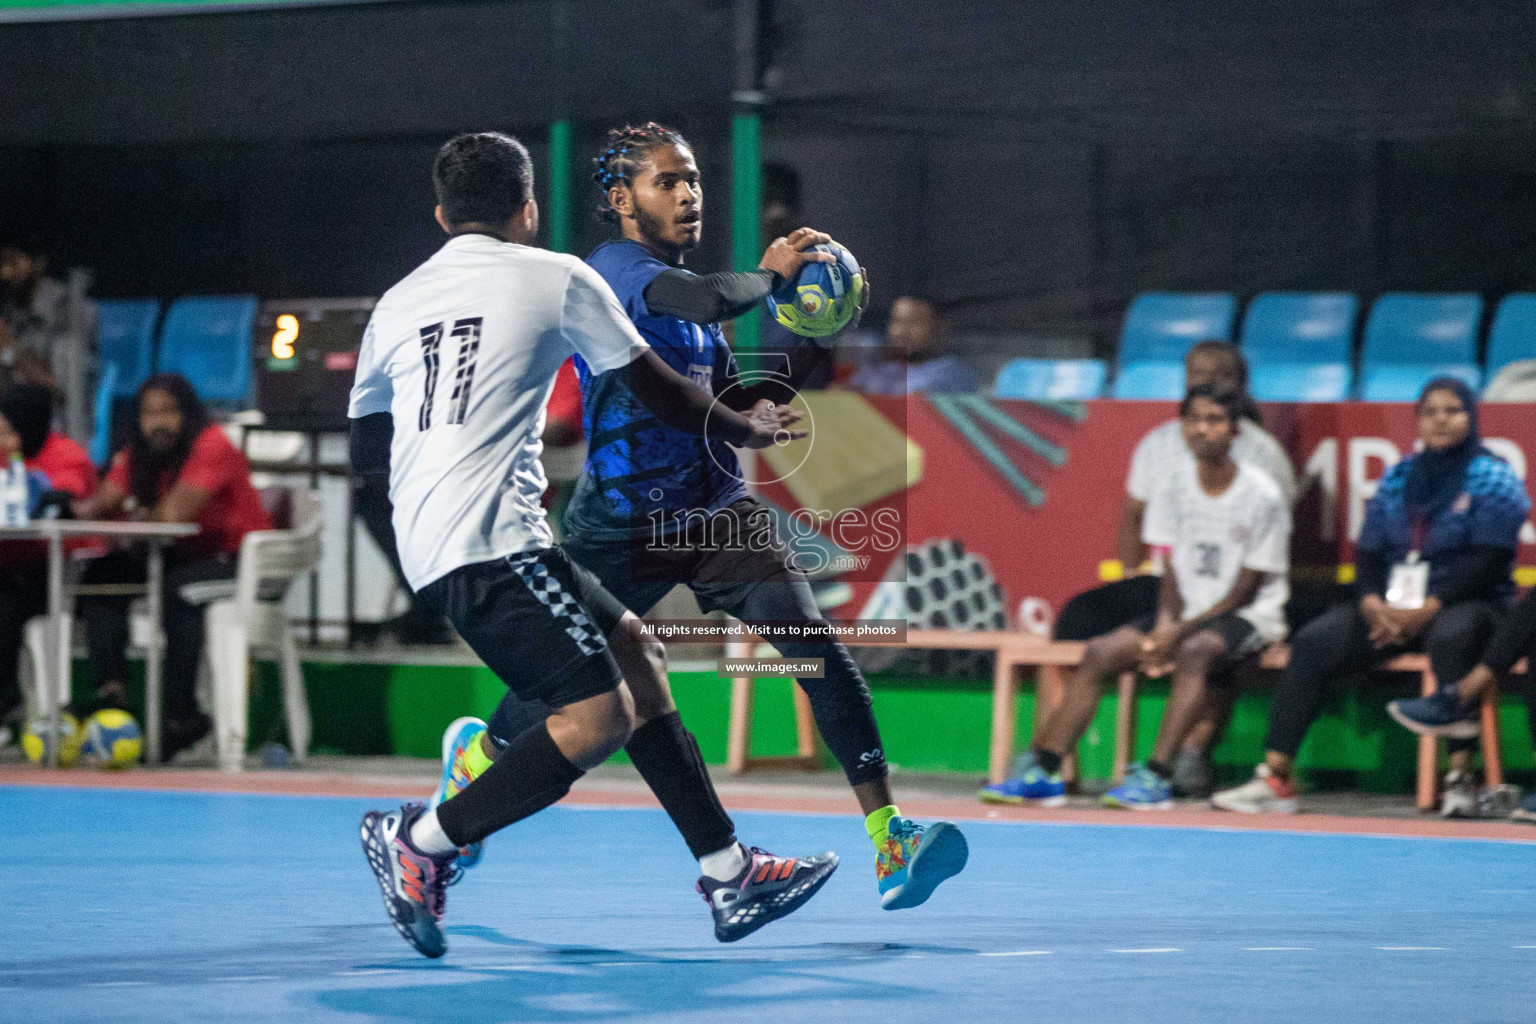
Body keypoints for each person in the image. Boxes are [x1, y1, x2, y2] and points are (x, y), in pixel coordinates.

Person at [454, 122, 968, 915]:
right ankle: (479, 756)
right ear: (622, 199)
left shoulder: (692, 302)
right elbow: (701, 297)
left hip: (718, 513)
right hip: (620, 522)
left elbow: (709, 386)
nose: (689, 196)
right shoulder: (615, 272)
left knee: (814, 647)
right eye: (668, 182)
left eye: (693, 181)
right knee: (569, 685)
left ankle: (890, 838)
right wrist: (769, 276)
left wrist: (755, 400)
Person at [350, 131, 837, 959]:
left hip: (443, 541)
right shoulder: (556, 275)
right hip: (490, 541)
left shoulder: (395, 302)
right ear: (529, 208)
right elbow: (670, 394)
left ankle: (729, 871)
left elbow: (368, 453)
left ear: (441, 216)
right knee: (598, 717)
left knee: (639, 661)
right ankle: (424, 840)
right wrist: (745, 425)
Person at [981, 341, 1295, 803]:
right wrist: (1165, 622)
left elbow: (1245, 591)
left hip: (1250, 615)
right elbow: (1167, 568)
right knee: (1101, 651)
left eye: (1214, 421)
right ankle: (1045, 770)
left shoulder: (1262, 492)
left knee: (1195, 651)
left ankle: (1156, 775)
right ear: (1183, 427)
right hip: (1184, 608)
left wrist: (1177, 632)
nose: (1203, 431)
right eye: (1195, 421)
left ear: (1234, 431)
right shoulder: (1170, 483)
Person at [1213, 378, 1529, 814]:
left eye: (1452, 410)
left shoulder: (1494, 476)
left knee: (1454, 634)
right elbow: (1371, 553)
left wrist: (1431, 607)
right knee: (1315, 640)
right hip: (1394, 608)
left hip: (1469, 604)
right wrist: (1371, 603)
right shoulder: (1400, 475)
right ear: (1417, 419)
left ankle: (1461, 779)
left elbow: (1491, 560)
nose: (1440, 420)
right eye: (1430, 411)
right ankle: (1276, 777)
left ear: (1472, 417)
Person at [69, 374, 272, 758]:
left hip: (237, 564)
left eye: (167, 412)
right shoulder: (138, 454)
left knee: (178, 592)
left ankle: (184, 715)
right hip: (177, 558)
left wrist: (134, 514)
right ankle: (113, 698)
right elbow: (98, 506)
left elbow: (174, 514)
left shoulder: (211, 445)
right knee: (101, 577)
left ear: (188, 415)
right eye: (148, 414)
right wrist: (61, 501)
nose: (157, 423)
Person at [1387, 585, 1536, 820]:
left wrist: (1429, 607)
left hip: (1479, 606)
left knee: (1461, 624)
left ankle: (1458, 698)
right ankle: (1459, 782)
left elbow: (1489, 560)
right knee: (1453, 634)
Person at [0, 383, 95, 747]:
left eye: (9, 429)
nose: (5, 438)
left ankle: (9, 708)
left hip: (60, 573)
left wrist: (32, 489)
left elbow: (58, 501)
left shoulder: (65, 455)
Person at [0, 235, 96, 442]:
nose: (4, 273)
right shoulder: (9, 311)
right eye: (1, 263)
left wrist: (10, 349)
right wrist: (5, 354)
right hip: (16, 436)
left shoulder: (71, 310)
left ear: (39, 263)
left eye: (12, 261)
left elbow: (62, 394)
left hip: (63, 434)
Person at [848, 295, 977, 396]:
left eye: (914, 323)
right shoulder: (878, 370)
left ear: (940, 329)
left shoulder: (953, 373)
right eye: (897, 322)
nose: (902, 332)